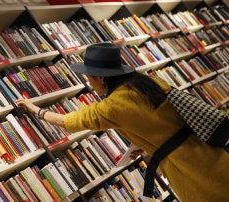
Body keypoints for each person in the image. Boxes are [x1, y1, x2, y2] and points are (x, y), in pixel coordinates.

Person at [15, 43, 229, 202]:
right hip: (212, 155)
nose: (89, 83)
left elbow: (66, 120)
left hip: (191, 172)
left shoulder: (113, 105)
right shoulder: (145, 82)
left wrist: (35, 109)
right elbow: (159, 122)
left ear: (101, 78)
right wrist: (148, 146)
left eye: (89, 77)